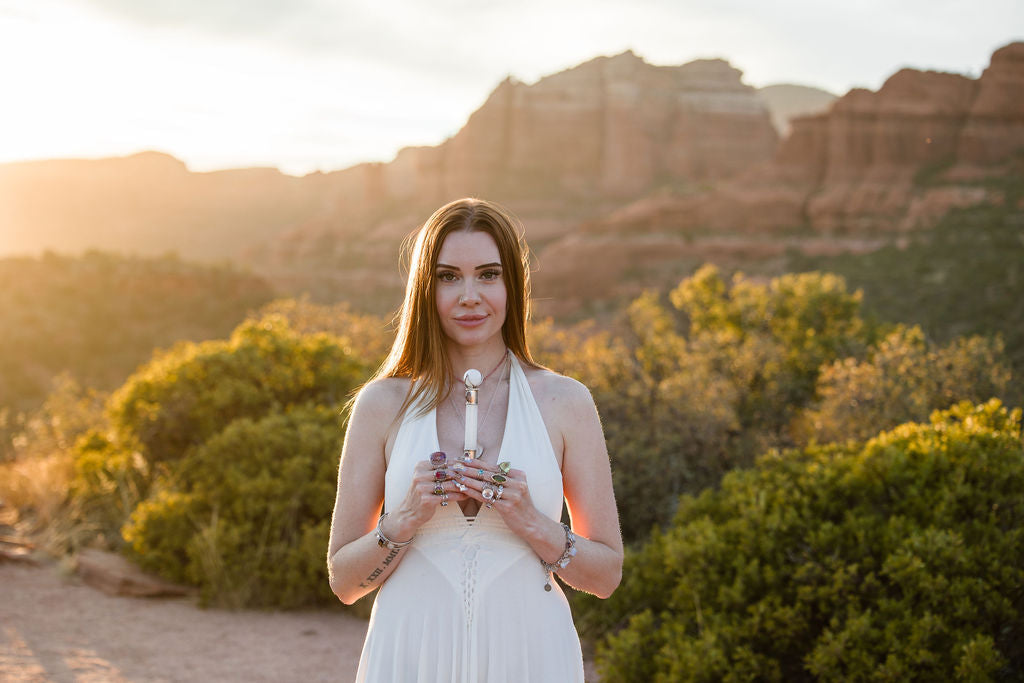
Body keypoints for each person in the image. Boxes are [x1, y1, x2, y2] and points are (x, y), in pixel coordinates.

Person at [327, 197, 623, 682]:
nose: (469, 295)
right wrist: (403, 520)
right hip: (411, 648)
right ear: (426, 288)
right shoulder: (381, 404)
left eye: (488, 274)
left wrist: (531, 521)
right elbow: (344, 582)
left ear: (513, 285)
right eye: (448, 277)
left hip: (528, 651)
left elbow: (606, 576)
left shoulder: (566, 402)